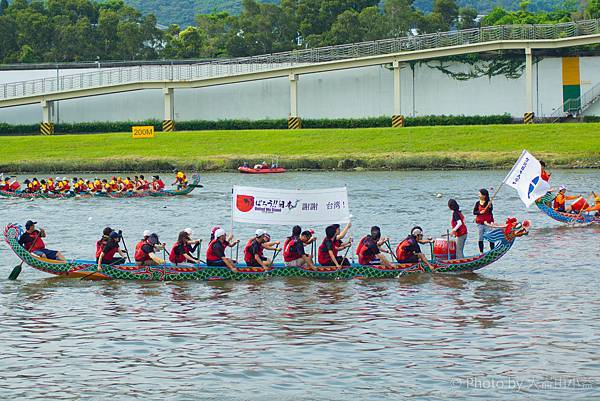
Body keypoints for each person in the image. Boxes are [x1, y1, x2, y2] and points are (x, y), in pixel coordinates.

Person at [473, 188, 495, 254]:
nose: (478, 195)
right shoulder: (477, 203)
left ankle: (492, 251)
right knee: (480, 238)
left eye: (480, 194)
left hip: (487, 223)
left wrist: (490, 206)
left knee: (490, 237)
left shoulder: (488, 203)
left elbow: (491, 211)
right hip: (480, 223)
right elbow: (474, 212)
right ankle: (481, 252)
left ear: (484, 195)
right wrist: (480, 212)